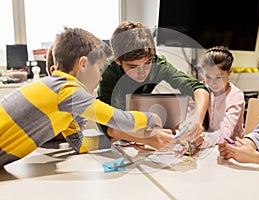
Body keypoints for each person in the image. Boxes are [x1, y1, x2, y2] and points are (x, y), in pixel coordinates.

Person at [0, 27, 162, 167]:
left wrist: (127, 141)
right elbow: (119, 119)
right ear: (83, 64)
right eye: (99, 69)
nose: (101, 78)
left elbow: (80, 144)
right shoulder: (67, 90)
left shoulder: (63, 102)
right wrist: (152, 118)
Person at [97, 21, 210, 150]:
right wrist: (148, 139)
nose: (142, 72)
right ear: (118, 60)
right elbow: (106, 124)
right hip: (118, 139)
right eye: (133, 67)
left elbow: (198, 88)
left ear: (153, 54)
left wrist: (197, 120)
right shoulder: (108, 73)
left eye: (147, 63)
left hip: (143, 132)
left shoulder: (158, 64)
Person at [199, 46, 245, 148]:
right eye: (208, 77)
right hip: (208, 146)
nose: (212, 83)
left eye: (218, 77)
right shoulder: (202, 89)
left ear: (230, 71)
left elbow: (225, 133)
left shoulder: (235, 96)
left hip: (231, 148)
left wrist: (202, 140)